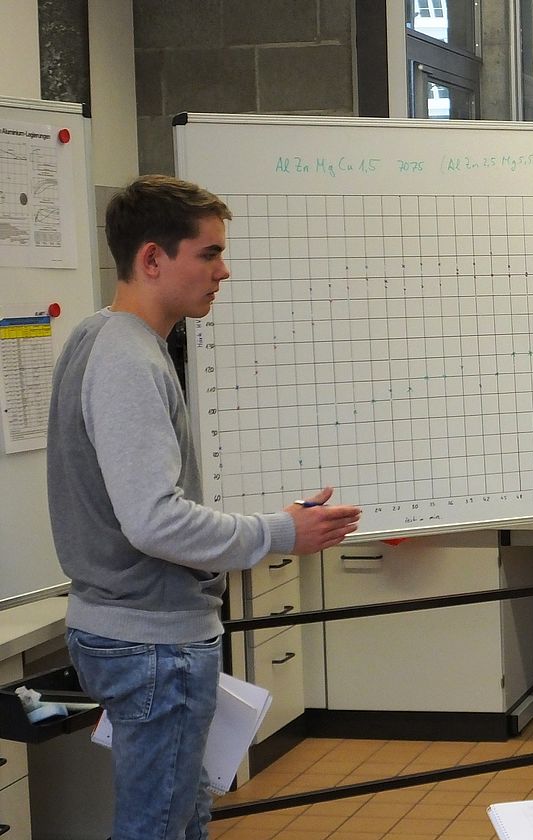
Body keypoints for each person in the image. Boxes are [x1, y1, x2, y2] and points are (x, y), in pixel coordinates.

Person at [46, 175, 362, 840]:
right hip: (151, 643)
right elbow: (154, 519)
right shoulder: (128, 358)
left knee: (180, 820)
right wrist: (281, 531)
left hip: (132, 631)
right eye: (209, 254)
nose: (224, 271)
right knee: (158, 829)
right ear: (152, 259)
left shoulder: (96, 338)